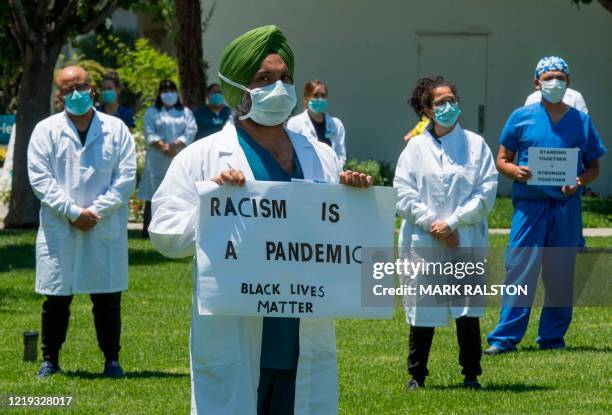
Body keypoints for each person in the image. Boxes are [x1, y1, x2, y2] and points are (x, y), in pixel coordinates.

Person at [149, 25, 372, 414]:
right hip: (235, 330)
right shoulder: (202, 157)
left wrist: (355, 201)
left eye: (286, 78)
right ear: (239, 90)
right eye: (264, 79)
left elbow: (341, 239)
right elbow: (163, 234)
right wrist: (212, 206)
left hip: (300, 336)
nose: (280, 88)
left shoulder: (320, 155)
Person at [485, 56, 607, 355]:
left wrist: (578, 182)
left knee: (560, 272)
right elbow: (502, 159)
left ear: (568, 81)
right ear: (536, 82)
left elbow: (593, 166)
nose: (555, 82)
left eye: (560, 77)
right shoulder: (521, 117)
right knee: (519, 270)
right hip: (530, 206)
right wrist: (516, 171)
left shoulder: (581, 121)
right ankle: (505, 338)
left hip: (566, 207)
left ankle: (552, 338)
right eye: (549, 77)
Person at [27, 65, 136, 378]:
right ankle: (50, 360)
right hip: (61, 225)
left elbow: (125, 178)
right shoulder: (45, 131)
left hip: (104, 224)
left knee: (107, 297)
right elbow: (40, 179)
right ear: (59, 95)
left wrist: (95, 211)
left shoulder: (116, 129)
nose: (77, 93)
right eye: (68, 89)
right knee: (57, 298)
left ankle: (112, 360)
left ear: (92, 88)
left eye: (82, 86)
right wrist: (73, 212)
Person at [394, 76, 498, 390]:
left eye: (452, 99)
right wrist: (432, 225)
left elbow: (486, 191)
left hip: (464, 237)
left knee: (467, 309)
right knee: (422, 307)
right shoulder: (414, 149)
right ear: (426, 109)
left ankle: (471, 374)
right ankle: (417, 375)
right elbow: (403, 194)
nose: (449, 106)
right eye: (440, 102)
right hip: (424, 239)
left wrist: (453, 223)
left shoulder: (476, 145)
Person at [138, 79, 196, 237]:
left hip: (179, 155)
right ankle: (148, 230)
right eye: (164, 91)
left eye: (171, 90)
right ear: (159, 94)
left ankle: (176, 231)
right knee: (153, 193)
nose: (168, 94)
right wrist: (163, 146)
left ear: (176, 93)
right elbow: (149, 131)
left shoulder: (185, 112)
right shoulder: (152, 112)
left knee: (178, 191)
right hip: (157, 158)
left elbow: (190, 130)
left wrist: (174, 145)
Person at [287, 80, 347, 166]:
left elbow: (340, 155)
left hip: (332, 176)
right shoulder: (295, 123)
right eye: (315, 95)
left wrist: (336, 172)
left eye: (323, 95)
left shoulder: (336, 125)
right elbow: (291, 153)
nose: (320, 99)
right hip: (306, 176)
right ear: (307, 98)